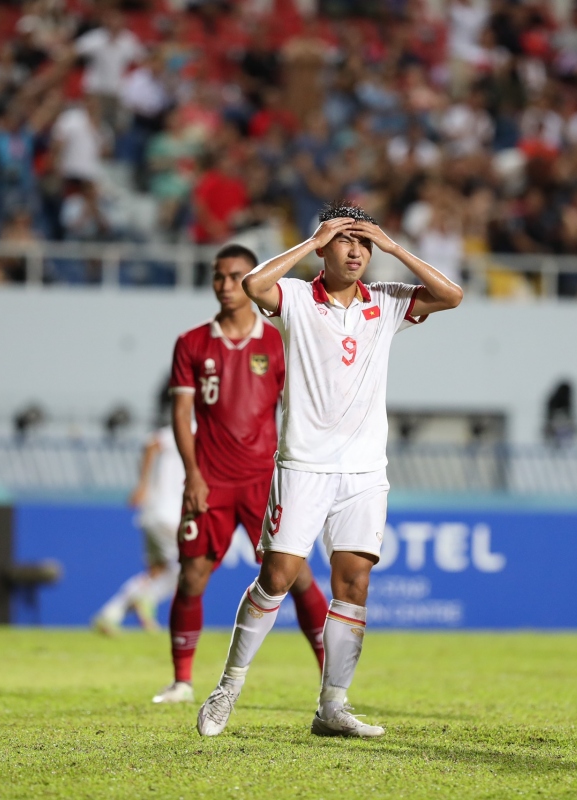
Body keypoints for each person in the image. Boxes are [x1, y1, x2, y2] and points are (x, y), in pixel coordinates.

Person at [195, 202, 463, 738]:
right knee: (277, 576)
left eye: (363, 241)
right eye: (346, 239)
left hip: (365, 471)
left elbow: (452, 296)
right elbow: (253, 283)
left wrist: (393, 247)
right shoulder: (296, 297)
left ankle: (332, 707)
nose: (357, 249)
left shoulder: (386, 302)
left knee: (354, 581)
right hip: (304, 465)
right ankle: (227, 689)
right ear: (325, 246)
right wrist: (311, 240)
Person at [153, 244, 331, 705]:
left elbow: (301, 408)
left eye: (235, 276)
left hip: (265, 484)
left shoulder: (278, 342)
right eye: (219, 276)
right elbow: (182, 414)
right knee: (192, 576)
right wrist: (192, 473)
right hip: (210, 480)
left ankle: (331, 682)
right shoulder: (192, 342)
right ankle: (181, 681)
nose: (226, 285)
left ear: (254, 281)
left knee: (298, 578)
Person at [92, 384, 183, 635]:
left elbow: (150, 445)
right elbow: (153, 443)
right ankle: (148, 599)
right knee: (187, 571)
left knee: (156, 572)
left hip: (152, 513)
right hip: (170, 513)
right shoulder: (192, 428)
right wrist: (143, 484)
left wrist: (144, 487)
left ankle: (109, 615)